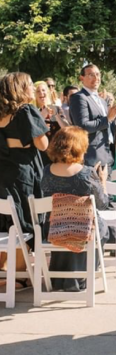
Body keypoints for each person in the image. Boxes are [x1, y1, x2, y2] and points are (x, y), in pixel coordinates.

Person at [40, 126, 111, 292]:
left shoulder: (46, 171)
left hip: (54, 228)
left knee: (67, 224)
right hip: (83, 230)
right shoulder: (86, 173)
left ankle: (62, 278)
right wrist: (103, 182)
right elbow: (102, 204)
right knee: (102, 228)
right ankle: (81, 276)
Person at [0, 73, 49, 286]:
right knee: (25, 221)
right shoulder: (26, 111)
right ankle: (19, 275)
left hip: (3, 172)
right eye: (30, 85)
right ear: (20, 88)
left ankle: (4, 272)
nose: (33, 88)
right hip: (22, 174)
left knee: (6, 220)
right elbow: (43, 145)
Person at [69, 64, 116, 168]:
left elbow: (106, 129)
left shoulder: (102, 101)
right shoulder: (79, 98)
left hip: (107, 156)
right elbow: (82, 127)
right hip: (91, 157)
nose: (96, 78)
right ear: (82, 78)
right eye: (91, 75)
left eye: (98, 74)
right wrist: (108, 119)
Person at [34, 80, 70, 164]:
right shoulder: (33, 111)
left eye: (43, 90)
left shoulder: (57, 108)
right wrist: (42, 116)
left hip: (57, 151)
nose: (41, 93)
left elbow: (66, 128)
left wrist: (56, 115)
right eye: (38, 91)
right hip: (39, 152)